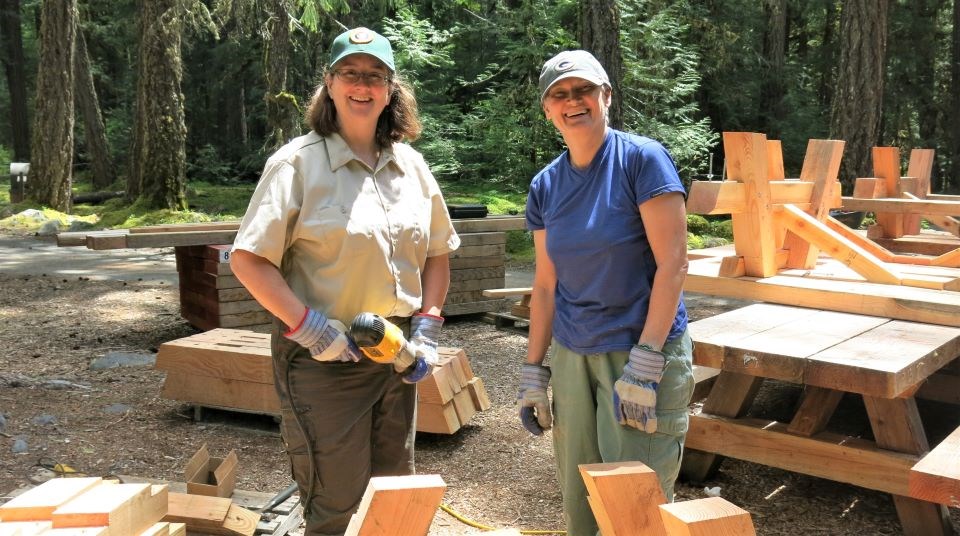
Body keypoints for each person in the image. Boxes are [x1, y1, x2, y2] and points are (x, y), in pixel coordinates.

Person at [230, 26, 460, 536]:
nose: (363, 85)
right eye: (350, 74)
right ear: (330, 85)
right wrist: (309, 327)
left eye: (375, 76)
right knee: (336, 505)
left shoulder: (413, 168)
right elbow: (249, 260)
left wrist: (427, 327)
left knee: (395, 496)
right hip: (323, 362)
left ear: (390, 89)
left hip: (396, 356)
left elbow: (439, 254)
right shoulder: (296, 165)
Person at [516, 50, 694, 536]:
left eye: (583, 90)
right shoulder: (546, 185)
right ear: (547, 109)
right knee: (580, 499)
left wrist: (648, 360)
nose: (572, 101)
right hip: (574, 354)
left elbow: (673, 264)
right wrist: (534, 371)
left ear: (606, 96)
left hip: (639, 351)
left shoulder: (642, 161)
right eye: (559, 94)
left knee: (636, 506)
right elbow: (546, 284)